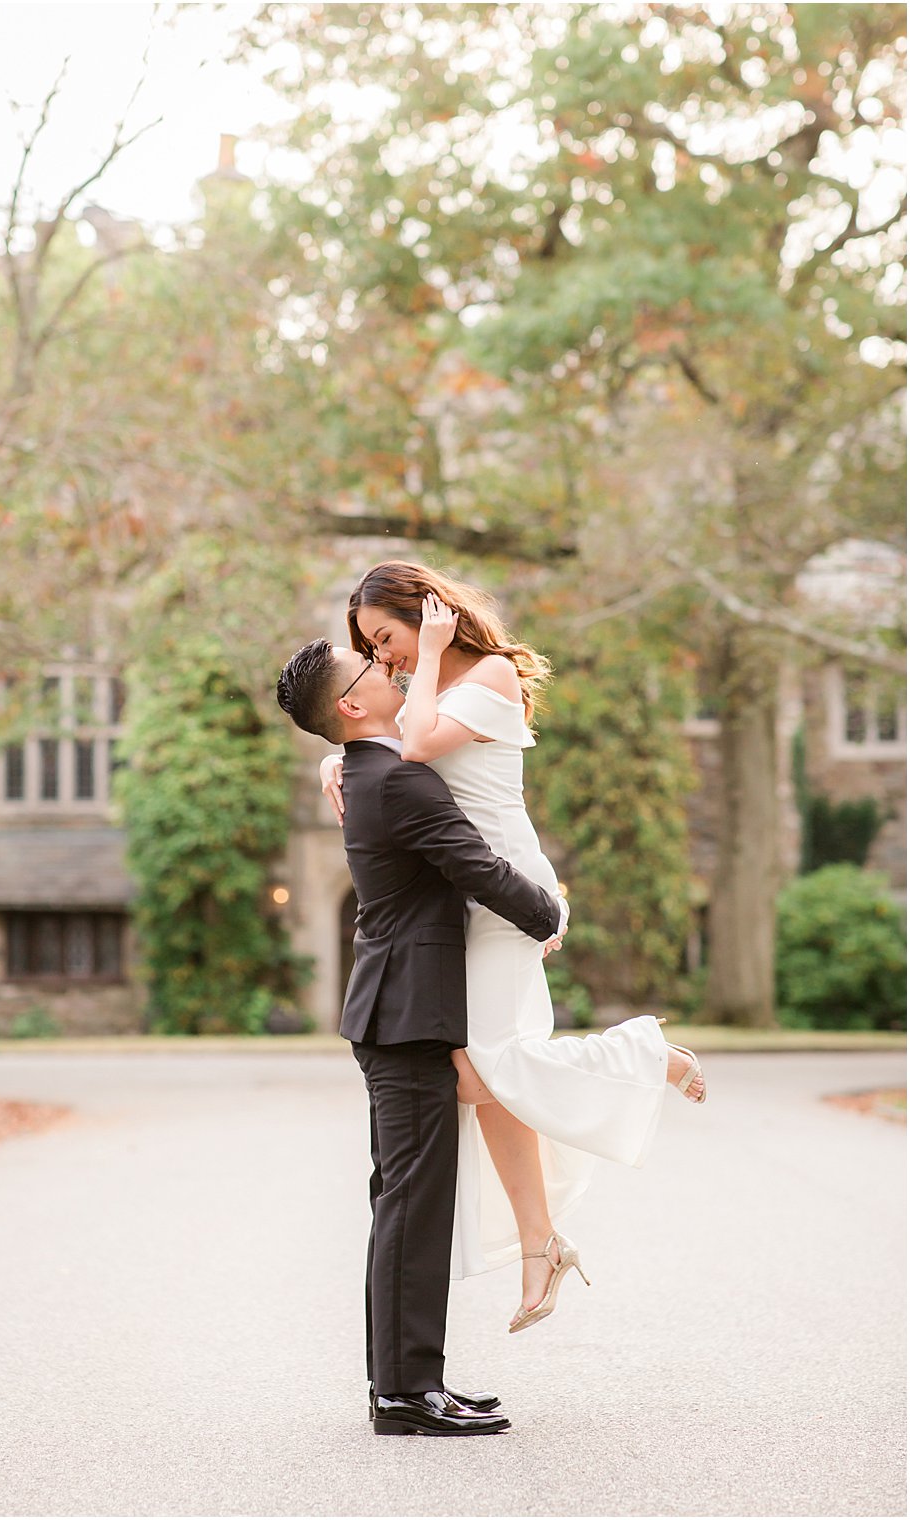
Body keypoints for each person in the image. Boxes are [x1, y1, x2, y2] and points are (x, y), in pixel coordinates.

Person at [319, 561, 706, 1333]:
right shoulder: (418, 690)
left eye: (386, 637)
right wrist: (334, 757)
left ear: (427, 616)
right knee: (480, 1073)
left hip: (502, 889)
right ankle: (540, 1244)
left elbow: (419, 745)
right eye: (370, 646)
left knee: (487, 1068)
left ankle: (644, 1056)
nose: (384, 656)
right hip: (464, 897)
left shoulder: (487, 673)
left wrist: (427, 655)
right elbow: (386, 744)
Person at [276, 638, 570, 1435]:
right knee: (411, 1206)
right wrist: (551, 914)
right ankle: (406, 1394)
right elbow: (475, 863)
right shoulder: (399, 779)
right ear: (351, 705)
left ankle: (403, 1385)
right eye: (375, 670)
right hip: (406, 1018)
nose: (394, 673)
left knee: (404, 1203)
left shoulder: (377, 772)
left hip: (396, 1012)